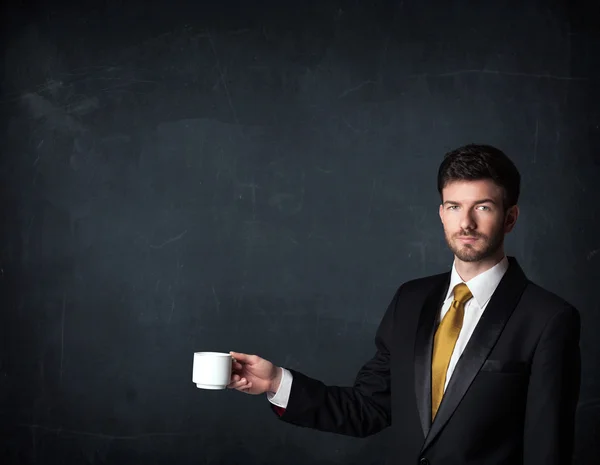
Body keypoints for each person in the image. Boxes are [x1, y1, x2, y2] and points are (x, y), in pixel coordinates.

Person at [227, 144, 581, 465]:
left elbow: (547, 450)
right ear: (441, 213)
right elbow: (367, 409)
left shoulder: (548, 318)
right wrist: (275, 382)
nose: (466, 223)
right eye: (454, 206)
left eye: (483, 207)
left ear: (510, 218)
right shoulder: (410, 301)